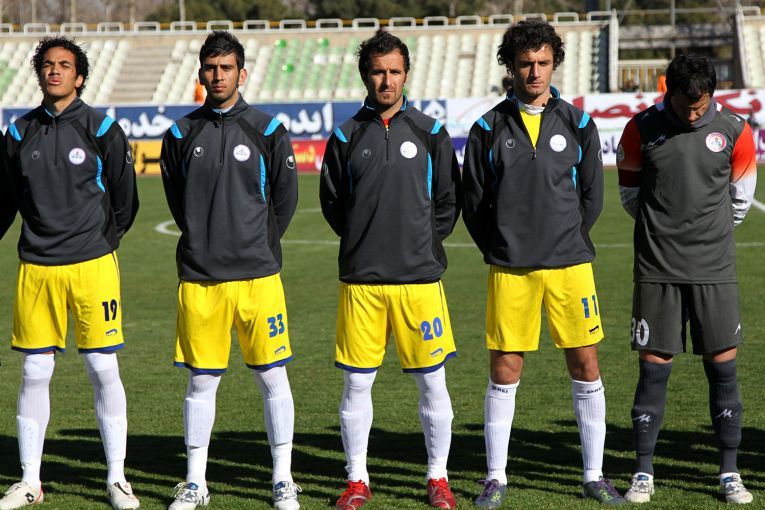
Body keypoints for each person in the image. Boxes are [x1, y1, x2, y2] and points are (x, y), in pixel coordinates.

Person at [462, 20, 626, 507]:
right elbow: (474, 204)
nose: (534, 72)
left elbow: (592, 197)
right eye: (525, 63)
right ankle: (495, 476)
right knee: (505, 367)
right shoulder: (487, 128)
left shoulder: (578, 124)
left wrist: (566, 238)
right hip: (511, 269)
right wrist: (504, 245)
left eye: (543, 62)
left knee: (586, 362)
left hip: (570, 267)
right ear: (510, 67)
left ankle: (594, 475)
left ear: (555, 64)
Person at [320, 30, 461, 510]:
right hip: (362, 281)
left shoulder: (430, 132)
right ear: (366, 75)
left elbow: (448, 202)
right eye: (378, 72)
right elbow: (334, 204)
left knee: (432, 381)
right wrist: (366, 241)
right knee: (357, 382)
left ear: (406, 74)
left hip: (419, 280)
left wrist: (419, 244)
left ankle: (438, 477)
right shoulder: (345, 136)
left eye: (394, 71)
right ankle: (357, 479)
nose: (387, 80)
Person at [160, 31, 300, 510]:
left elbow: (284, 202)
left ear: (243, 73)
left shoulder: (268, 130)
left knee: (272, 377)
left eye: (226, 68)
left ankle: (282, 478)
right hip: (201, 279)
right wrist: (205, 240)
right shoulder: (181, 134)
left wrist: (254, 244)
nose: (217, 76)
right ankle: (195, 482)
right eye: (210, 68)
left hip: (259, 279)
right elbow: (178, 202)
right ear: (200, 73)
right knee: (201, 381)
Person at [0, 37, 140, 510]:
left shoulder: (102, 128)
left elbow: (125, 201)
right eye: (47, 64)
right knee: (34, 371)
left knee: (102, 366)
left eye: (64, 65)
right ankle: (30, 482)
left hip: (92, 265)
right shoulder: (18, 132)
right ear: (38, 73)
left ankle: (117, 479)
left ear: (80, 77)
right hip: (37, 267)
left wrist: (97, 242)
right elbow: (7, 199)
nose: (54, 71)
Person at [617, 54, 757, 505]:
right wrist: (664, 233)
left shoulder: (735, 130)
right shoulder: (640, 128)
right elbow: (630, 195)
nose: (693, 115)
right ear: (669, 92)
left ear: (712, 95)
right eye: (683, 107)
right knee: (653, 368)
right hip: (657, 268)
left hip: (714, 269)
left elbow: (740, 200)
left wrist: (706, 236)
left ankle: (730, 472)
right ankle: (643, 471)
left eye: (700, 107)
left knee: (723, 367)